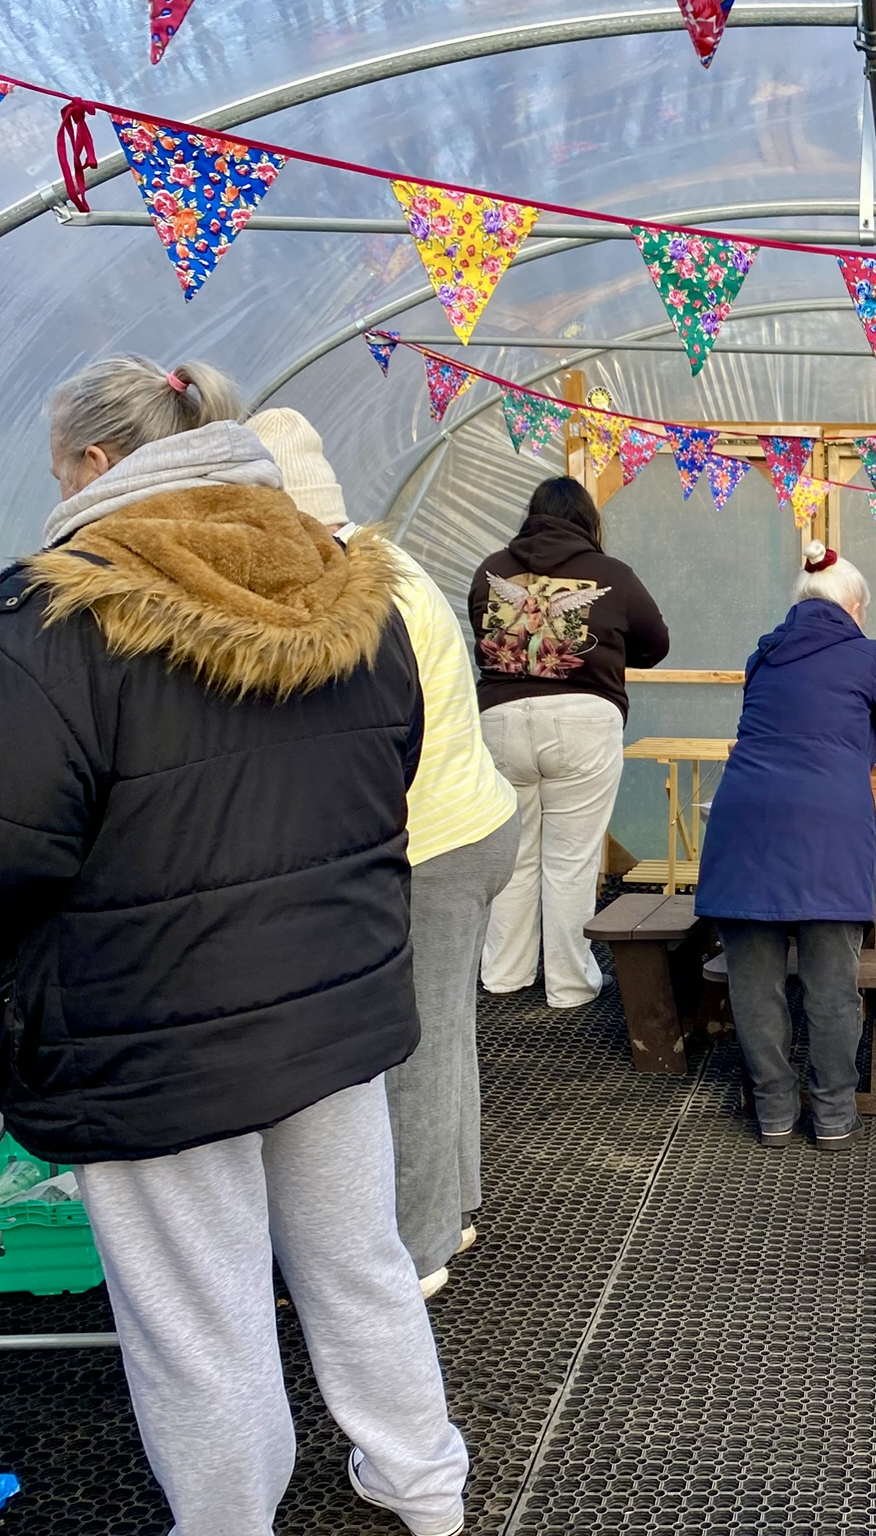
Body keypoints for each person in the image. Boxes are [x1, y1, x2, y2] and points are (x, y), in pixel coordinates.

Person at [0, 357, 466, 1536]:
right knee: (356, 1261)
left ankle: (228, 1521)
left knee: (197, 1312)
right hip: (331, 1004)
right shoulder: (351, 588)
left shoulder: (55, 619)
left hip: (147, 1027)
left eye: (59, 467)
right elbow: (387, 776)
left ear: (99, 466)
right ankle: (424, 1482)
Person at [250, 408, 518, 1300]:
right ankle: (457, 1206)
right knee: (445, 1038)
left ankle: (418, 1247)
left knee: (413, 1048)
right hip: (471, 824)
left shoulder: (351, 589)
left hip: (433, 842)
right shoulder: (381, 559)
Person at [695, 542, 876, 1147]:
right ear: (853, 606)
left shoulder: (763, 656)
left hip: (744, 825)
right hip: (828, 830)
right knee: (830, 985)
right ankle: (831, 1112)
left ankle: (773, 1112)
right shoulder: (864, 655)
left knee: (755, 984)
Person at [469, 477, 669, 1008]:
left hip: (501, 721)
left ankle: (505, 973)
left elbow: (481, 641)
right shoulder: (612, 575)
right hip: (584, 721)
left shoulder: (492, 570)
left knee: (512, 854)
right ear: (587, 521)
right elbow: (656, 643)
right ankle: (569, 984)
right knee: (571, 860)